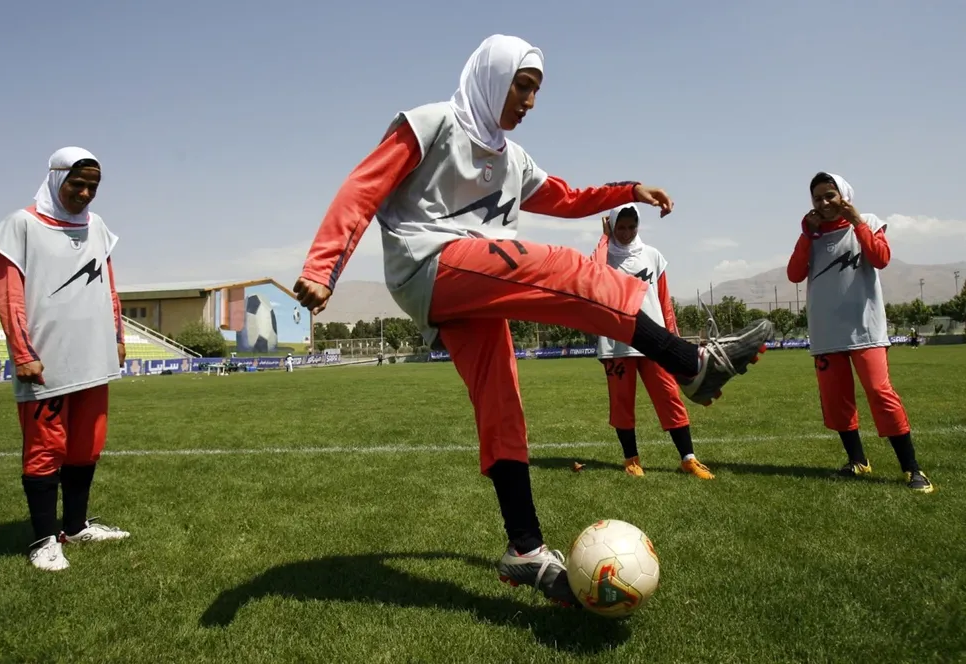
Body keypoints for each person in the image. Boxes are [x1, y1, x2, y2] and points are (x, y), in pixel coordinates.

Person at [293, 35, 773, 606]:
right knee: (564, 268)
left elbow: (567, 198)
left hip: (474, 282)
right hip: (430, 264)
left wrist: (628, 190)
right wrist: (324, 267)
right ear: (494, 79)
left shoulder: (512, 159)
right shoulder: (430, 123)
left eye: (536, 91)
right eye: (523, 86)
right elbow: (363, 186)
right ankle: (689, 361)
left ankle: (524, 548)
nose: (530, 101)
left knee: (502, 400)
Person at [0, 147, 131, 572]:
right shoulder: (20, 225)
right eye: (77, 184)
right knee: (47, 448)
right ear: (55, 177)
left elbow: (109, 285)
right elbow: (8, 295)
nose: (85, 193)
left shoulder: (97, 227)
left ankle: (77, 525)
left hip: (93, 356)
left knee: (86, 445)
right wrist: (22, 352)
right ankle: (44, 540)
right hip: (45, 361)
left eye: (93, 187)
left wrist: (117, 336)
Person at [786, 172, 933, 493]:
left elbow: (881, 258)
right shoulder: (811, 235)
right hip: (826, 335)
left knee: (881, 393)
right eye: (817, 198)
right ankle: (857, 461)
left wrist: (857, 223)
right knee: (837, 401)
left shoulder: (867, 221)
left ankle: (912, 469)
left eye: (830, 195)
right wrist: (805, 235)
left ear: (845, 195)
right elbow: (794, 274)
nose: (824, 203)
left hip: (865, 329)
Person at [591, 203, 715, 479]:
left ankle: (688, 459)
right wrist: (604, 238)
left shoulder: (653, 255)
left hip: (656, 342)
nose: (626, 233)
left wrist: (674, 341)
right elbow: (593, 275)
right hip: (616, 344)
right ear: (611, 226)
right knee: (622, 403)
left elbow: (664, 300)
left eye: (631, 227)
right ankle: (631, 459)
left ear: (639, 226)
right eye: (619, 227)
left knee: (669, 398)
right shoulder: (604, 257)